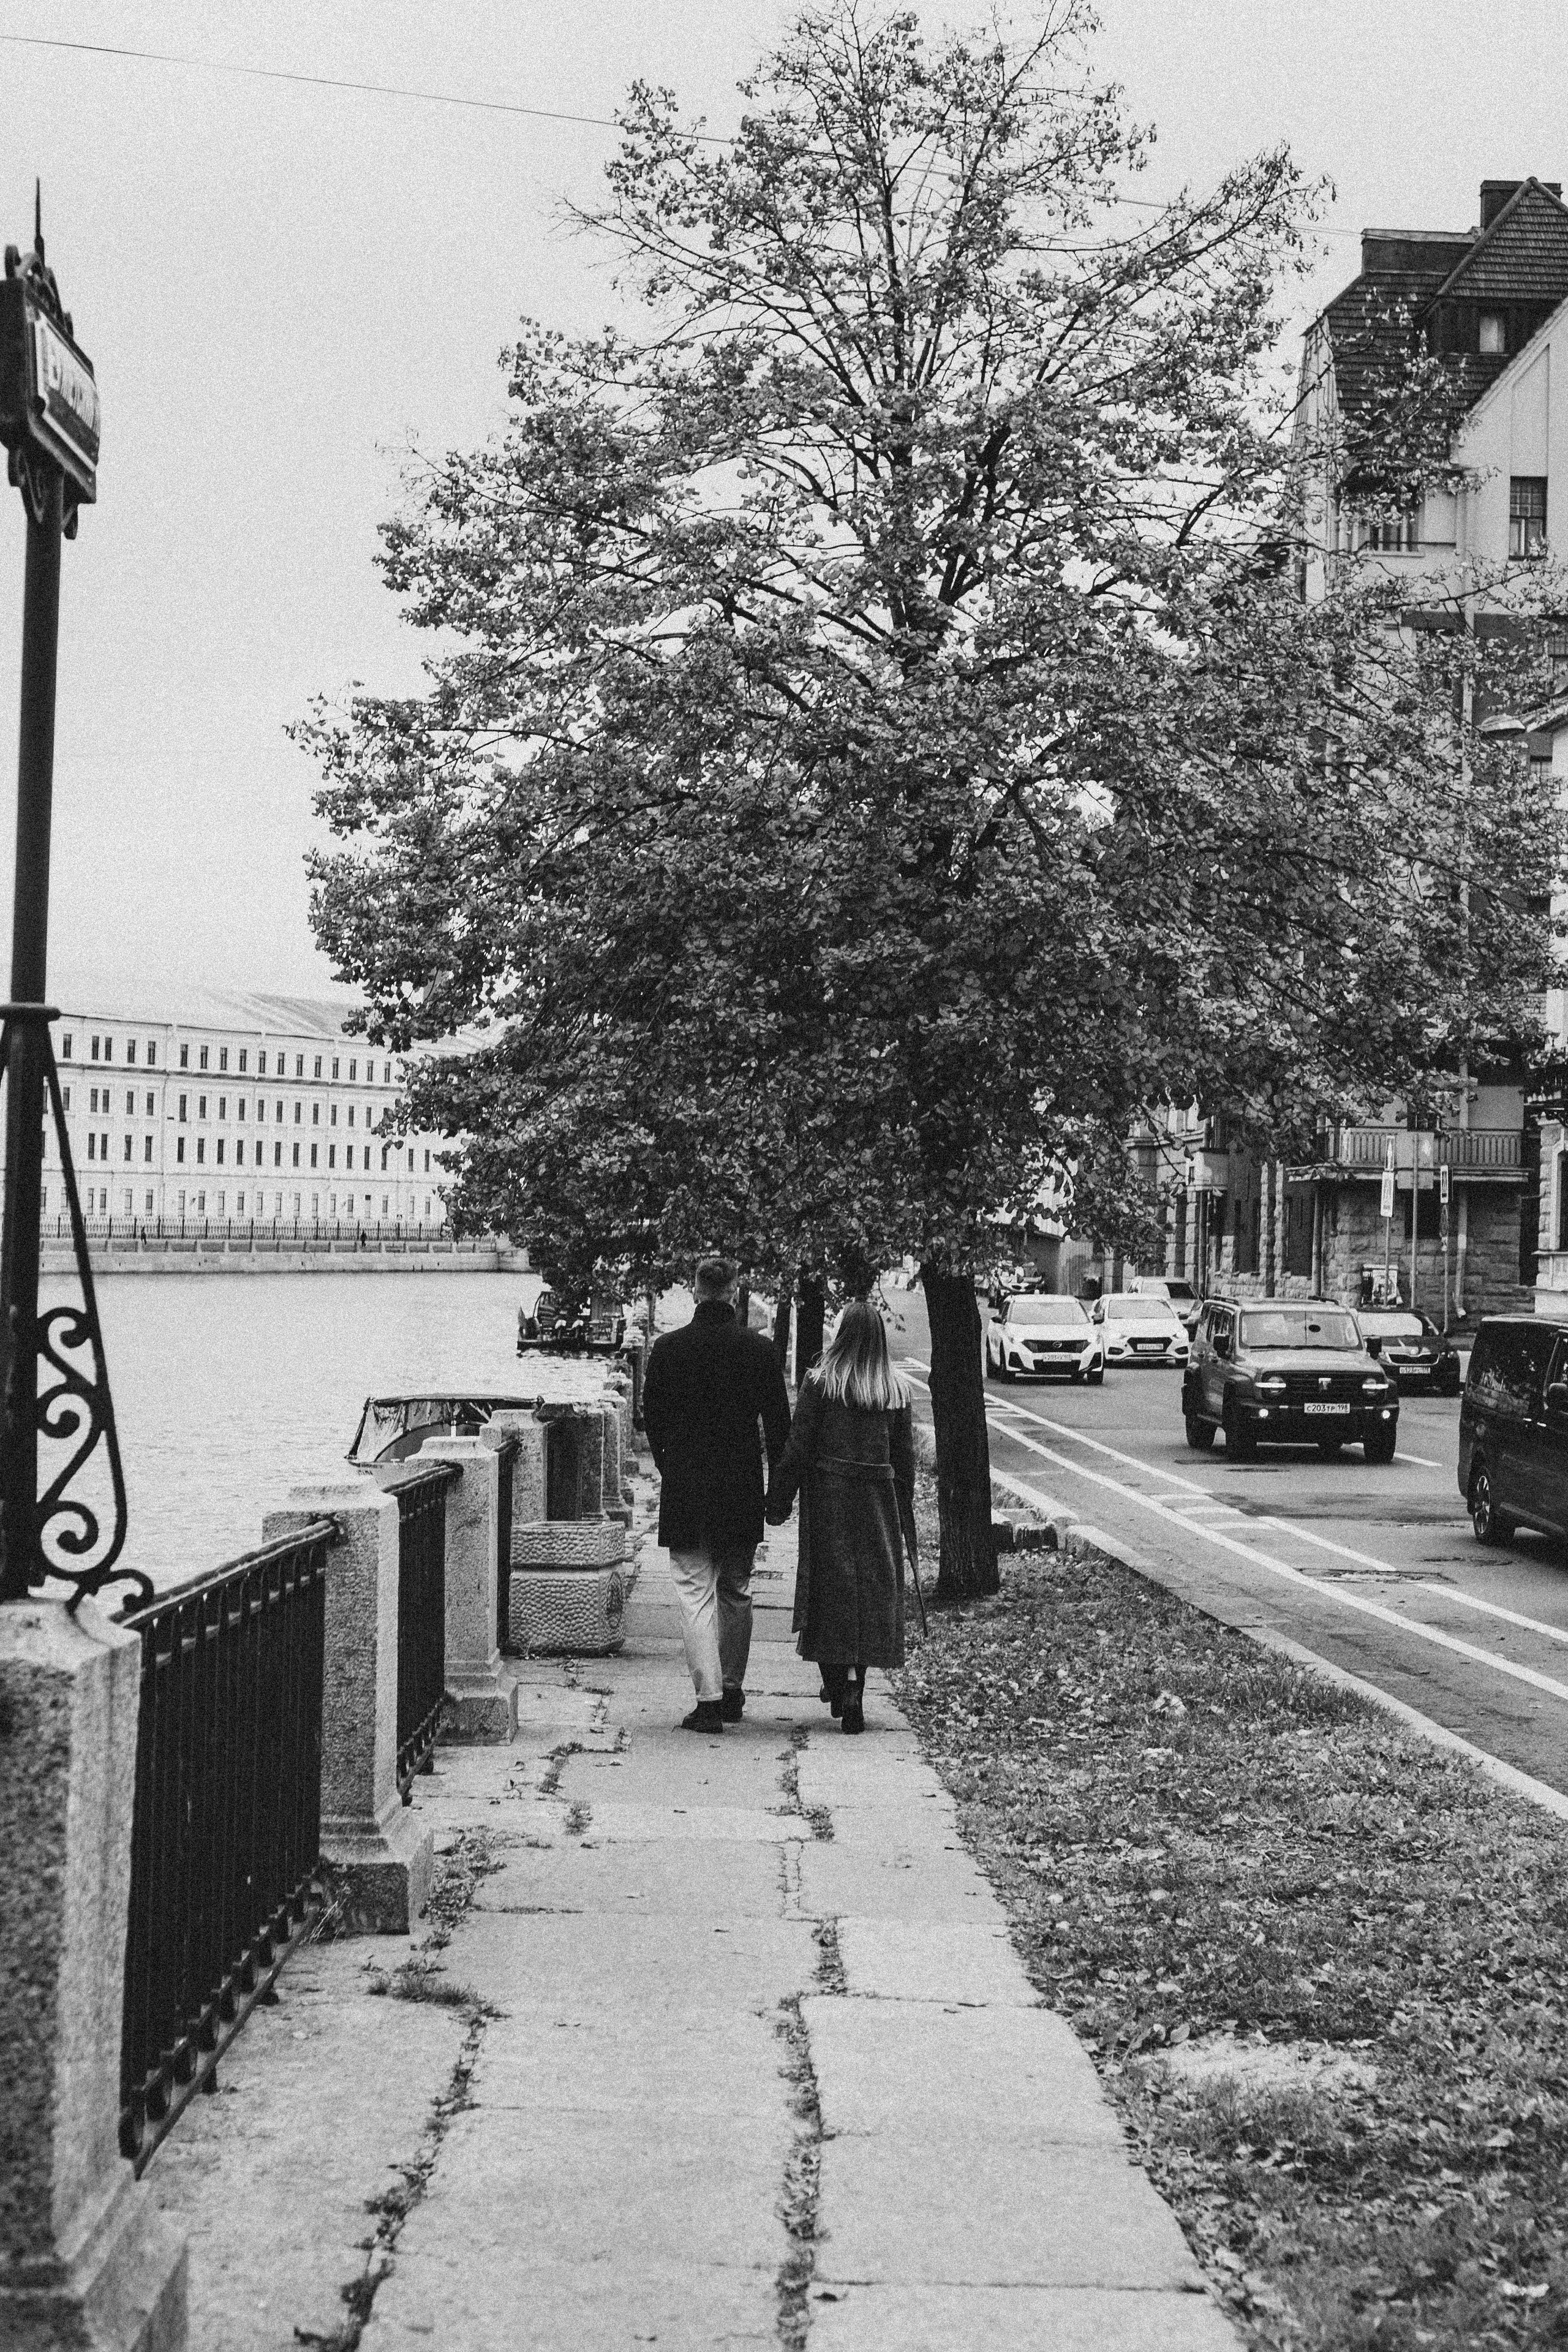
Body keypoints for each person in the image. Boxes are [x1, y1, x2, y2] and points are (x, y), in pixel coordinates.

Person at [643, 1256, 792, 1733]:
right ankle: (732, 1688)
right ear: (734, 1292)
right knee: (736, 1590)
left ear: (694, 1291)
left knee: (694, 1594)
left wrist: (672, 1467)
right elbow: (778, 1428)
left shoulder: (667, 1350)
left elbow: (654, 1423)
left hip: (687, 1488)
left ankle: (707, 1699)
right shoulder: (759, 1350)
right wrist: (779, 1494)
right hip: (740, 1487)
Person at [764, 1298, 917, 1736]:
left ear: (842, 1335)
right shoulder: (894, 1392)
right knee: (870, 1590)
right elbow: (904, 1462)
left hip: (829, 1500)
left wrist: (779, 1500)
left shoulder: (821, 1384)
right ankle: (856, 1686)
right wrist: (903, 1515)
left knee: (829, 1588)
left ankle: (837, 1678)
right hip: (877, 1503)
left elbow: (798, 1448)